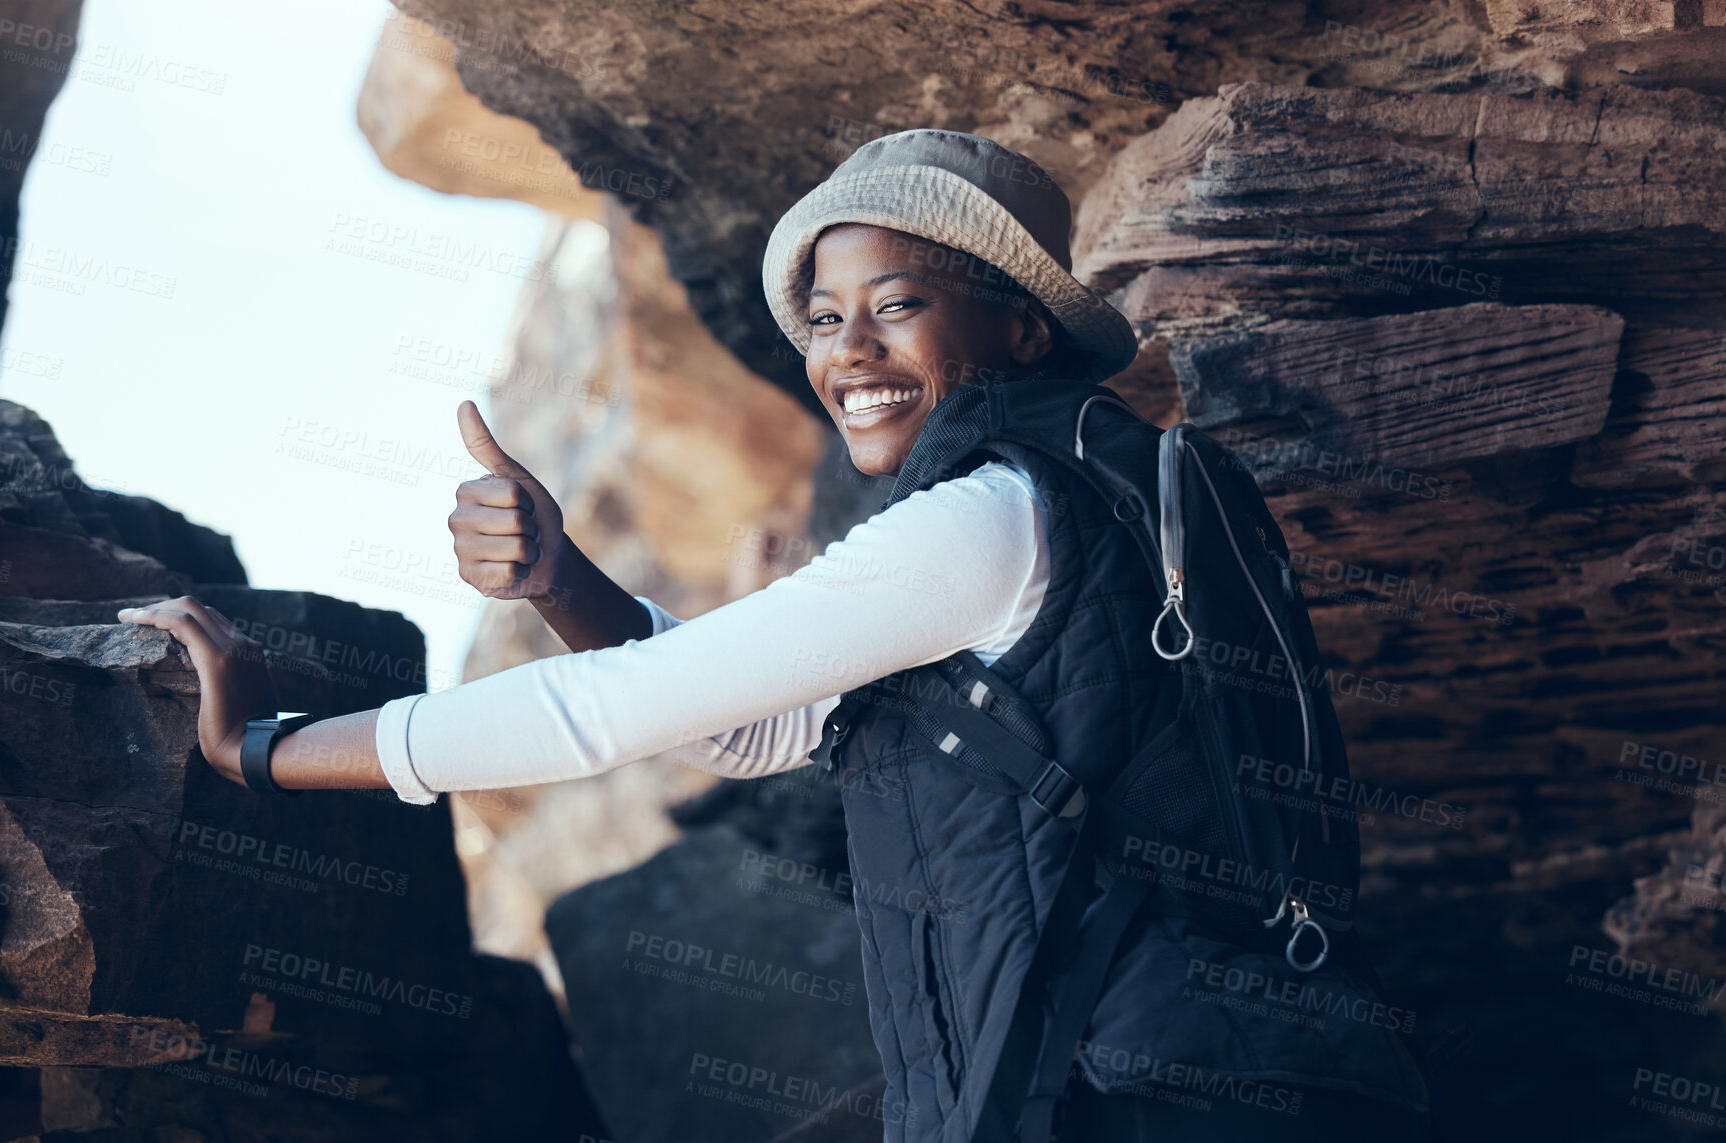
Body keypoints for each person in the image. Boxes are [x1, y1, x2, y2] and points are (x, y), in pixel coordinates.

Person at [120, 129, 1429, 1141]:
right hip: (1198, 1071)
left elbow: (605, 718)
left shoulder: (985, 517)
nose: (846, 349)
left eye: (897, 304)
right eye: (820, 315)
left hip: (1117, 1093)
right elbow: (754, 725)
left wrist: (265, 749)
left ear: (1018, 325)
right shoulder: (1092, 488)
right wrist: (563, 575)